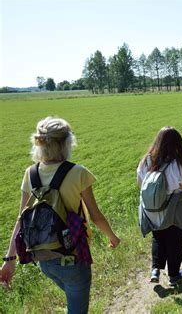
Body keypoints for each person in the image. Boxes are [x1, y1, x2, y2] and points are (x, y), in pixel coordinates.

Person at [0, 117, 120, 314]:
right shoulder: (78, 172)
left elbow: (21, 219)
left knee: (74, 298)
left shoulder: (30, 173)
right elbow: (96, 216)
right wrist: (113, 237)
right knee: (77, 303)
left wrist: (9, 260)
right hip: (73, 257)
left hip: (44, 258)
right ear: (67, 142)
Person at [137, 127, 182, 285]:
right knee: (175, 241)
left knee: (158, 237)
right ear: (177, 144)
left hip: (152, 208)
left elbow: (141, 183)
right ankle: (174, 275)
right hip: (173, 209)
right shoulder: (176, 164)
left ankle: (155, 270)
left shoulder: (146, 160)